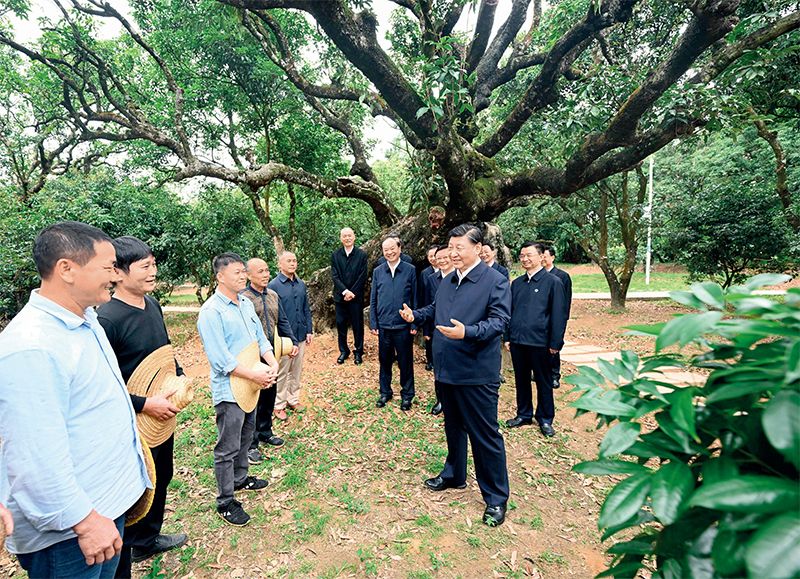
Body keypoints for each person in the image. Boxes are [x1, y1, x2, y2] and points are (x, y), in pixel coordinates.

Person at [0, 221, 150, 577]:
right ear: (66, 269)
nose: (116, 275)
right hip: (73, 533)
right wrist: (83, 521)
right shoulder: (31, 346)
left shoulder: (86, 320)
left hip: (107, 510)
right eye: (107, 266)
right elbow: (32, 456)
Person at [399, 224, 511, 526]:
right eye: (451, 247)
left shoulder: (494, 281)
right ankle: (454, 474)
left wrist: (468, 333)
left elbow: (500, 322)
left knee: (485, 435)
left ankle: (496, 498)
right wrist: (416, 315)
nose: (453, 252)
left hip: (476, 373)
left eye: (459, 247)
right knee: (453, 427)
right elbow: (437, 308)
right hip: (446, 370)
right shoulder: (449, 280)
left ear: (477, 248)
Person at [96, 236, 188, 575]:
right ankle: (132, 540)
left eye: (153, 264)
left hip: (163, 410)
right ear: (119, 272)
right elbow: (106, 384)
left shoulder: (153, 306)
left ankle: (147, 540)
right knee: (138, 483)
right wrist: (144, 403)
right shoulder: (108, 319)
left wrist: (178, 376)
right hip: (133, 417)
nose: (153, 272)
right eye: (145, 266)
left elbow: (164, 351)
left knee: (162, 475)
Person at [197, 253, 279, 527]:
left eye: (244, 271)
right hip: (230, 389)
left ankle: (241, 478)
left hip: (251, 384)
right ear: (220, 276)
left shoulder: (244, 303)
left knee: (246, 436)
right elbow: (220, 361)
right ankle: (225, 500)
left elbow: (259, 338)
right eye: (236, 272)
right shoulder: (211, 312)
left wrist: (272, 362)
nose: (242, 276)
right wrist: (255, 373)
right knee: (227, 446)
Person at [504, 242, 567, 438]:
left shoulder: (553, 282)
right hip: (518, 341)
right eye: (522, 255)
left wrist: (555, 343)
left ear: (541, 257)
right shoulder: (517, 284)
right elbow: (509, 312)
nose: (525, 259)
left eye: (529, 255)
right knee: (521, 380)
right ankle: (523, 414)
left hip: (541, 342)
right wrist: (508, 336)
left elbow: (559, 315)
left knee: (544, 381)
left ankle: (545, 418)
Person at [239, 258, 295, 464]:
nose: (265, 274)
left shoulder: (273, 295)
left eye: (267, 270)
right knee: (255, 395)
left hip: (272, 349)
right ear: (248, 275)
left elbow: (283, 320)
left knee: (270, 391)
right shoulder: (243, 298)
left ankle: (265, 431)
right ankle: (251, 443)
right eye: (260, 271)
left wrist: (292, 342)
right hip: (252, 353)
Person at [370, 236, 417, 411]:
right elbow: (374, 298)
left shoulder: (410, 270)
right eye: (386, 250)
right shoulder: (378, 271)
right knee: (384, 361)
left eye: (392, 248)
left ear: (399, 248)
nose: (389, 252)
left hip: (403, 325)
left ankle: (407, 395)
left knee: (405, 362)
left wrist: (414, 324)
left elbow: (415, 298)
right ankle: (385, 392)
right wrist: (373, 322)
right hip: (383, 325)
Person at [269, 251, 313, 420]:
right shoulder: (273, 285)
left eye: (295, 260)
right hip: (284, 338)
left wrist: (309, 330)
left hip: (301, 333)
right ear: (280, 265)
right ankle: (278, 404)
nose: (293, 263)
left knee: (296, 370)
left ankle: (292, 399)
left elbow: (305, 308)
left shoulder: (301, 284)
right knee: (282, 371)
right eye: (288, 261)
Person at [424, 245, 454, 416]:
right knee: (439, 369)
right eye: (438, 258)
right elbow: (429, 306)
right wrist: (426, 329)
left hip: (458, 332)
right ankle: (440, 400)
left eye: (445, 257)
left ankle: (454, 401)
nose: (442, 261)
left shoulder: (459, 278)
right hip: (437, 331)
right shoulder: (431, 279)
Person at [331, 228, 368, 365]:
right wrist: (345, 291)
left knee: (357, 325)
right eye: (344, 236)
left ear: (354, 237)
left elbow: (362, 275)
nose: (347, 238)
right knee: (341, 324)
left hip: (356, 297)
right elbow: (335, 276)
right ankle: (343, 351)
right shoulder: (335, 255)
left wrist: (352, 292)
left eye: (349, 235)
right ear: (341, 238)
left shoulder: (361, 255)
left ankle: (358, 352)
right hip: (340, 297)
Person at [543, 246, 572, 389]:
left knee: (554, 346)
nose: (543, 259)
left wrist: (563, 318)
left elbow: (566, 300)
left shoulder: (562, 276)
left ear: (553, 257)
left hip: (556, 317)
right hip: (541, 318)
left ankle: (555, 375)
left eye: (545, 256)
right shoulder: (539, 275)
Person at [419, 245, 440, 371]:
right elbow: (422, 293)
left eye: (434, 256)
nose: (433, 258)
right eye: (430, 256)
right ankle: (430, 360)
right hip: (428, 307)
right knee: (429, 337)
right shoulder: (425, 273)